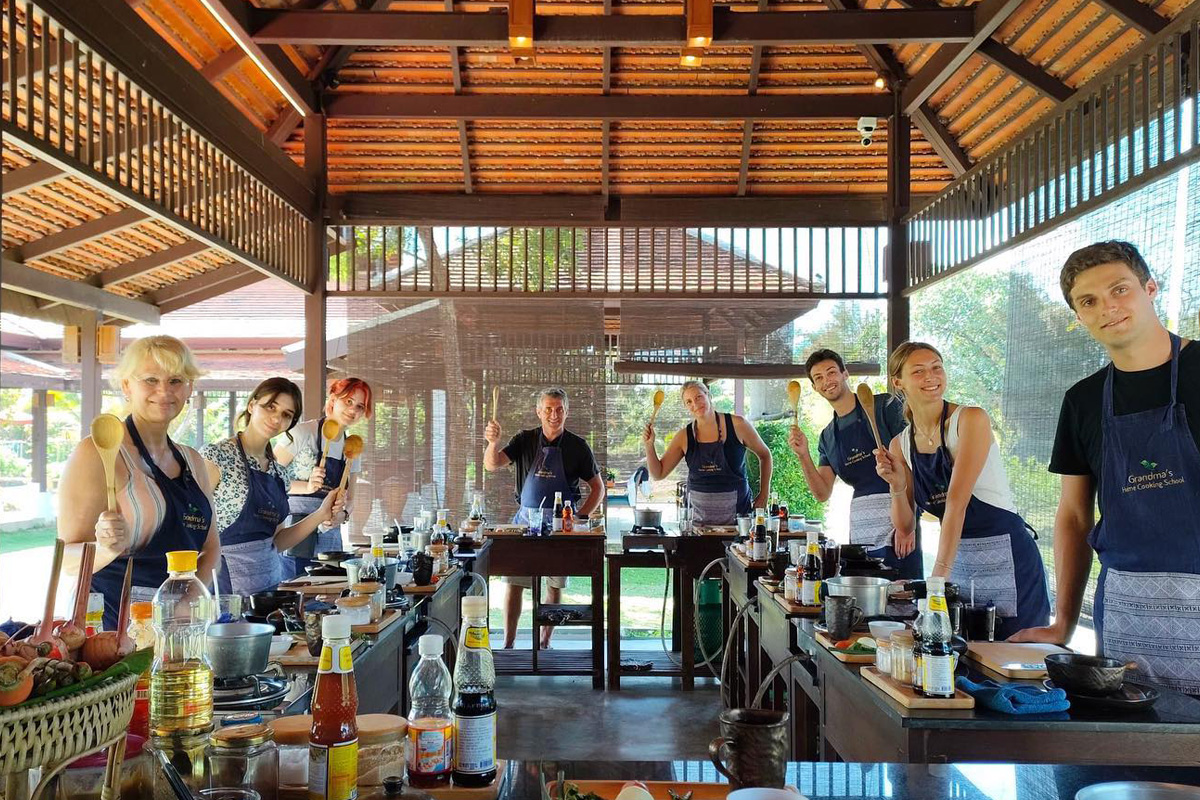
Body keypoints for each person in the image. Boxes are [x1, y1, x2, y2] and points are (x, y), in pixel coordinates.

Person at [1011, 242, 1199, 695]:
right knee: (1128, 736)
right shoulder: (1083, 400)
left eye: (1120, 290)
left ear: (1149, 289)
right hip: (1126, 616)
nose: (1107, 308)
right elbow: (1075, 517)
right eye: (1089, 301)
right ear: (1079, 317)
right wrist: (1063, 622)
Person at [874, 342, 1050, 640]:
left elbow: (957, 503)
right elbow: (904, 526)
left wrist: (937, 580)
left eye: (937, 367)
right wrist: (897, 485)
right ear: (898, 382)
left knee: (1015, 656)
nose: (931, 377)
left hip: (1006, 559)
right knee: (964, 655)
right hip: (960, 564)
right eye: (919, 371)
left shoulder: (970, 420)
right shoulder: (900, 444)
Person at [58, 336, 219, 629]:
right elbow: (65, 560)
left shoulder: (193, 461)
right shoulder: (99, 452)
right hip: (110, 626)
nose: (164, 391)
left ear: (189, 388)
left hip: (180, 625)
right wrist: (105, 548)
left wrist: (189, 601)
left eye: (175, 380)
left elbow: (211, 549)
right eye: (150, 380)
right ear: (126, 386)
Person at [483, 388, 605, 649]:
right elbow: (492, 464)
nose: (554, 415)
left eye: (559, 409)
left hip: (562, 526)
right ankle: (509, 644)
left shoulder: (578, 446)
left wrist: (580, 518)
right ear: (538, 412)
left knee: (554, 584)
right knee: (514, 582)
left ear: (567, 412)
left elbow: (598, 488)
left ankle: (545, 643)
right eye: (548, 409)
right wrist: (492, 443)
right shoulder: (524, 440)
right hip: (525, 522)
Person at [201, 378, 346, 596]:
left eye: (286, 415)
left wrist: (321, 514)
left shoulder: (279, 473)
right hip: (226, 591)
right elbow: (192, 531)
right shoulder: (217, 457)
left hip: (269, 590)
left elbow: (277, 541)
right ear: (252, 405)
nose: (277, 418)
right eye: (270, 407)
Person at [787, 349, 921, 578]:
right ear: (815, 387)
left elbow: (912, 464)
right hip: (861, 530)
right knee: (865, 592)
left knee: (901, 592)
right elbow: (822, 492)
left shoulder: (884, 406)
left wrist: (908, 525)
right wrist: (803, 455)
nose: (827, 381)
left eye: (831, 372)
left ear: (845, 374)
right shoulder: (828, 436)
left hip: (899, 520)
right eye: (819, 378)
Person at [275, 377, 371, 579]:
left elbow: (350, 499)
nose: (353, 410)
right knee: (296, 589)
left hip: (329, 536)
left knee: (328, 591)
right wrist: (307, 487)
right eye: (348, 401)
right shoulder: (302, 433)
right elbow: (268, 479)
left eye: (360, 406)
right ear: (333, 399)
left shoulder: (352, 448)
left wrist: (341, 516)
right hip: (296, 531)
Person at [642, 380, 772, 526]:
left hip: (738, 524)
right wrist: (649, 445)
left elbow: (765, 455)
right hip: (697, 526)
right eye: (689, 401)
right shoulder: (684, 436)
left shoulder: (738, 425)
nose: (695, 404)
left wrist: (764, 494)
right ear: (686, 406)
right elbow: (658, 474)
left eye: (698, 397)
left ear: (708, 395)